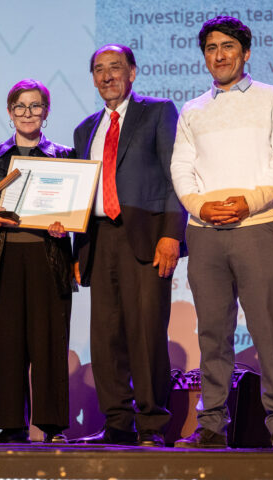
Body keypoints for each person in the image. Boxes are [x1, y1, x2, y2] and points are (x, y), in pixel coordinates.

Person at [169, 16, 273, 449]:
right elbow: (181, 167)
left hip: (257, 227)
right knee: (212, 334)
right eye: (211, 48)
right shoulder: (193, 109)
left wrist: (250, 201)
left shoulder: (272, 98)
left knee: (267, 329)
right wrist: (199, 206)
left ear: (245, 52)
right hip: (204, 232)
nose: (219, 55)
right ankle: (211, 426)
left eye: (228, 46)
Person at [72, 44, 187, 448]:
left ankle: (152, 425)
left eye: (115, 67)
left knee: (147, 333)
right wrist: (78, 250)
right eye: (99, 69)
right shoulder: (85, 129)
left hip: (147, 239)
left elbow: (176, 177)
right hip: (99, 239)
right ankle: (117, 423)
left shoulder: (158, 112)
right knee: (105, 338)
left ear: (132, 73)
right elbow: (80, 194)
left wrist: (172, 234)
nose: (107, 76)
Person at [0, 79, 75, 444]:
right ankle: (11, 426)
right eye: (20, 106)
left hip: (49, 259)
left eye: (35, 106)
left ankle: (52, 427)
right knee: (9, 344)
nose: (27, 113)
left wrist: (66, 224)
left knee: (50, 343)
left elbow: (77, 209)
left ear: (46, 112)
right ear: (9, 112)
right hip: (4, 258)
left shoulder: (64, 156)